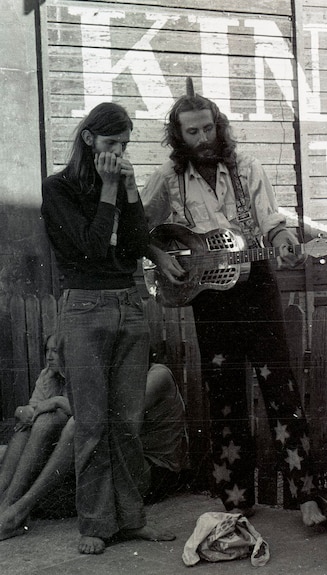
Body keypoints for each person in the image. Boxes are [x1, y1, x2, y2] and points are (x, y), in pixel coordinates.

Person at [141, 79, 325, 525]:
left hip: (256, 284)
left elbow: (272, 220)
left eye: (209, 128)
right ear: (178, 135)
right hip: (209, 296)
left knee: (279, 387)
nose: (204, 139)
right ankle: (235, 499)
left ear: (219, 125)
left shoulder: (246, 167)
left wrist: (283, 241)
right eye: (193, 132)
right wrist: (159, 255)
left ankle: (306, 496)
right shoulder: (167, 178)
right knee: (222, 393)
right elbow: (139, 228)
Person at [40, 101, 174, 554]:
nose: (120, 152)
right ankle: (96, 525)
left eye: (125, 144)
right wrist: (111, 190)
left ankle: (133, 518)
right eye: (112, 143)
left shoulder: (119, 183)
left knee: (128, 424)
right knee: (93, 423)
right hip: (85, 308)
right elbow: (93, 250)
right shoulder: (58, 188)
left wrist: (130, 190)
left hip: (128, 306)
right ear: (89, 140)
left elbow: (134, 247)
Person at [0, 357, 189, 541]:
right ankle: (5, 503)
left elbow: (107, 415)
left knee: (78, 423)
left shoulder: (158, 375)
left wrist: (58, 401)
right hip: (117, 468)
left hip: (153, 472)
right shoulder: (116, 376)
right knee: (35, 423)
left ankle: (17, 512)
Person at [0, 335, 70, 514]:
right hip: (43, 442)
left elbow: (84, 412)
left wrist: (56, 401)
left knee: (45, 421)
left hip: (68, 445)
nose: (49, 356)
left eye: (55, 351)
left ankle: (11, 502)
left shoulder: (78, 374)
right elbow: (33, 408)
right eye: (47, 350)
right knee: (24, 428)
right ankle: (2, 493)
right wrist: (21, 411)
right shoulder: (47, 375)